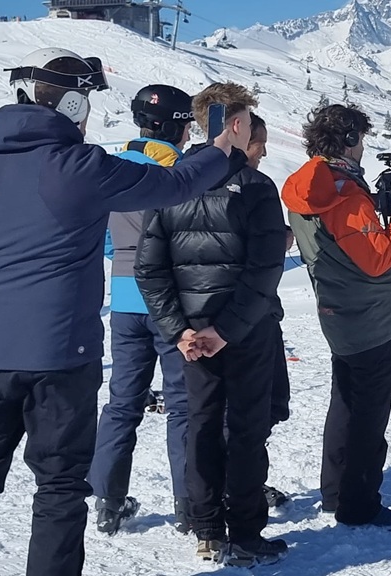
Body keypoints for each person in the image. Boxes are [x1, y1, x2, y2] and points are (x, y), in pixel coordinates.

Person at [0, 47, 234, 576]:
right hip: (62, 357)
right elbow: (176, 183)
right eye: (84, 102)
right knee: (60, 489)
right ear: (70, 106)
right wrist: (224, 148)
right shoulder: (81, 166)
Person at [135, 82, 287, 567]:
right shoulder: (257, 187)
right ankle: (244, 530)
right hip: (243, 332)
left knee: (200, 424)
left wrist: (176, 328)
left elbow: (148, 268)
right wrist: (226, 330)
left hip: (193, 336)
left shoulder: (173, 181)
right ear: (236, 124)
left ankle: (206, 528)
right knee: (245, 429)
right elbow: (265, 270)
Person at [281, 104, 391, 529]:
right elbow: (378, 258)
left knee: (346, 405)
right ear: (349, 141)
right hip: (370, 316)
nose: (364, 148)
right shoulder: (343, 193)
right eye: (362, 140)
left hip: (337, 309)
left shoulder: (308, 186)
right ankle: (359, 503)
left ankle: (335, 492)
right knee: (368, 414)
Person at [90, 84, 196, 536]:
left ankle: (108, 501)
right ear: (176, 125)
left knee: (122, 403)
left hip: (125, 299)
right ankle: (190, 502)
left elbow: (108, 242)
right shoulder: (180, 171)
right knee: (183, 405)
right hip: (171, 298)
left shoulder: (111, 165)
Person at [245, 112, 291, 509]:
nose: (264, 151)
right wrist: (284, 238)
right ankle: (245, 489)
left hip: (203, 313)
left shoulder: (187, 177)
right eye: (260, 142)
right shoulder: (257, 186)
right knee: (260, 407)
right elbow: (266, 252)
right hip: (254, 315)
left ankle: (205, 503)